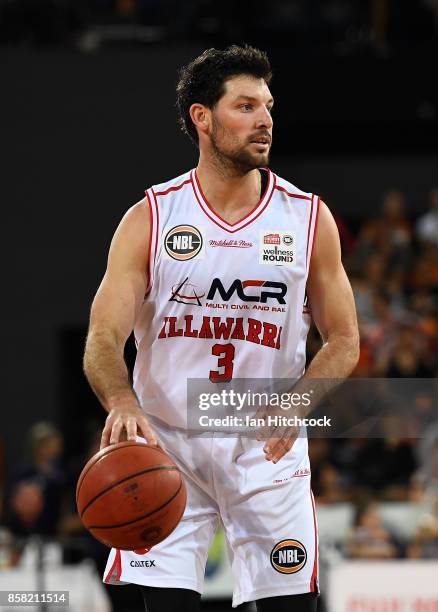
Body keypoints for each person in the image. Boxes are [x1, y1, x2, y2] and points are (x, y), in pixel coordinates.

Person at [83, 45, 359, 612]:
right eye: (246, 106)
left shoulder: (307, 219)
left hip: (266, 451)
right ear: (201, 118)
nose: (265, 121)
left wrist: (298, 401)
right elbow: (103, 338)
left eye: (269, 106)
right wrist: (121, 401)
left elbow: (346, 339)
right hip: (169, 448)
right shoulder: (151, 219)